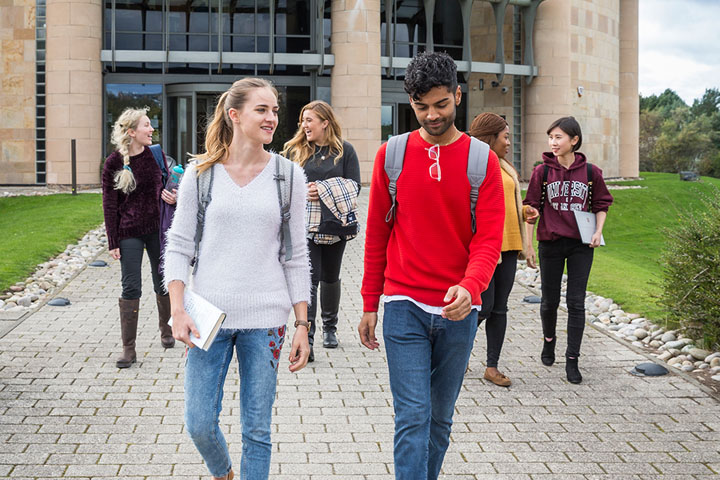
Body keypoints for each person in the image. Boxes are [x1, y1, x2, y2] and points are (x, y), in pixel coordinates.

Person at [359, 52, 505, 480]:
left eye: (441, 104)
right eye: (421, 106)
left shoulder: (483, 161)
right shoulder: (393, 155)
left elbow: (488, 240)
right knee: (413, 417)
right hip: (403, 305)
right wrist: (370, 302)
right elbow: (376, 237)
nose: (432, 114)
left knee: (439, 420)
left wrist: (471, 285)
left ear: (458, 96)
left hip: (459, 311)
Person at [162, 78, 311, 480]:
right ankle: (223, 471)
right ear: (235, 114)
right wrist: (177, 309)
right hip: (206, 316)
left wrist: (302, 324)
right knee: (198, 421)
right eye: (262, 109)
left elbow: (295, 256)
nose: (272, 118)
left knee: (257, 430)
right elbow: (178, 246)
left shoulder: (289, 175)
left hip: (266, 321)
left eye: (275, 110)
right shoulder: (201, 173)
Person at [523, 116, 613, 384]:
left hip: (580, 245)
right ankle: (548, 341)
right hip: (550, 243)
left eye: (559, 137)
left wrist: (598, 232)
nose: (553, 142)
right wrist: (528, 244)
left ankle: (572, 360)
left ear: (574, 140)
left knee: (576, 302)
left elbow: (601, 205)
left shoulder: (590, 173)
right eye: (551, 137)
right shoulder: (543, 172)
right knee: (549, 301)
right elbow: (530, 209)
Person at [282, 100, 361, 362]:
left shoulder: (345, 151)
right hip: (306, 226)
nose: (304, 125)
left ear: (325, 122)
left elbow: (355, 186)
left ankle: (330, 328)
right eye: (303, 120)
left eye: (309, 120)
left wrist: (324, 189)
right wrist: (303, 191)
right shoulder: (295, 151)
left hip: (336, 225)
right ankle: (310, 336)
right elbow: (285, 186)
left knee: (331, 276)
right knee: (310, 279)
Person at [102, 107, 177, 369]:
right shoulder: (113, 162)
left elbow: (170, 184)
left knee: (163, 282)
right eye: (147, 125)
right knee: (131, 287)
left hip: (158, 230)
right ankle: (129, 349)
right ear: (132, 131)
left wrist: (174, 196)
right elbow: (109, 204)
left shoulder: (155, 156)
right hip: (129, 233)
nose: (152, 129)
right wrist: (112, 240)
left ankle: (167, 331)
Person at [468, 112, 539, 387]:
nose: (509, 142)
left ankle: (492, 366)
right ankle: (456, 355)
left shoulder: (505, 167)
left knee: (499, 309)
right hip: (485, 248)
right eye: (505, 136)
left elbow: (507, 205)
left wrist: (524, 212)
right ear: (490, 137)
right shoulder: (473, 166)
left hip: (509, 246)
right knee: (482, 307)